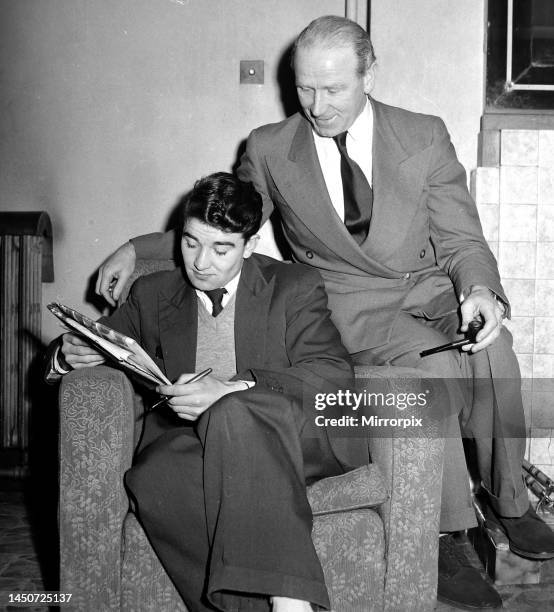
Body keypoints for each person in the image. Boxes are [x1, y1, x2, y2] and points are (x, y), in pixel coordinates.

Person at [93, 15, 554, 610]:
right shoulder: (270, 148)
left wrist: (481, 293)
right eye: (305, 88)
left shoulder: (422, 134)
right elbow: (228, 224)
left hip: (429, 286)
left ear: (369, 74)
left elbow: (463, 238)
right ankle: (444, 537)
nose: (317, 105)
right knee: (429, 374)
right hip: (355, 303)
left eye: (333, 89)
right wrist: (138, 249)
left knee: (494, 347)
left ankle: (510, 500)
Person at [47, 172, 357, 612]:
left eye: (222, 248)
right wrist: (67, 355)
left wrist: (232, 388)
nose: (201, 263)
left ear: (250, 246)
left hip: (285, 436)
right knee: (153, 474)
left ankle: (292, 603)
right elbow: (96, 340)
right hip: (189, 444)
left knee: (233, 412)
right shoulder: (153, 293)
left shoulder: (294, 286)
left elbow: (332, 374)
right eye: (191, 243)